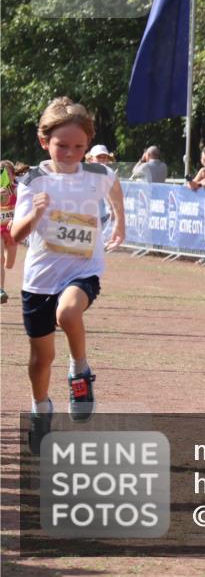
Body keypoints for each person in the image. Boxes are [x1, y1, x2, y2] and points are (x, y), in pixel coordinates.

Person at [11, 97, 125, 454]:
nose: (71, 153)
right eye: (63, 146)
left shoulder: (97, 174)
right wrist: (35, 214)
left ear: (88, 144)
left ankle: (80, 371)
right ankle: (40, 408)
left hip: (83, 270)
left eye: (79, 146)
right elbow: (15, 233)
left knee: (69, 313)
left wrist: (119, 219)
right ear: (45, 142)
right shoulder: (33, 179)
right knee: (40, 359)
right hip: (40, 278)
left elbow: (115, 186)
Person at [1, 160, 29, 304]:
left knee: (9, 264)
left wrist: (17, 218)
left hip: (12, 229)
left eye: (6, 173)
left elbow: (25, 205)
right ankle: (0, 289)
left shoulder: (18, 189)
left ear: (13, 175)